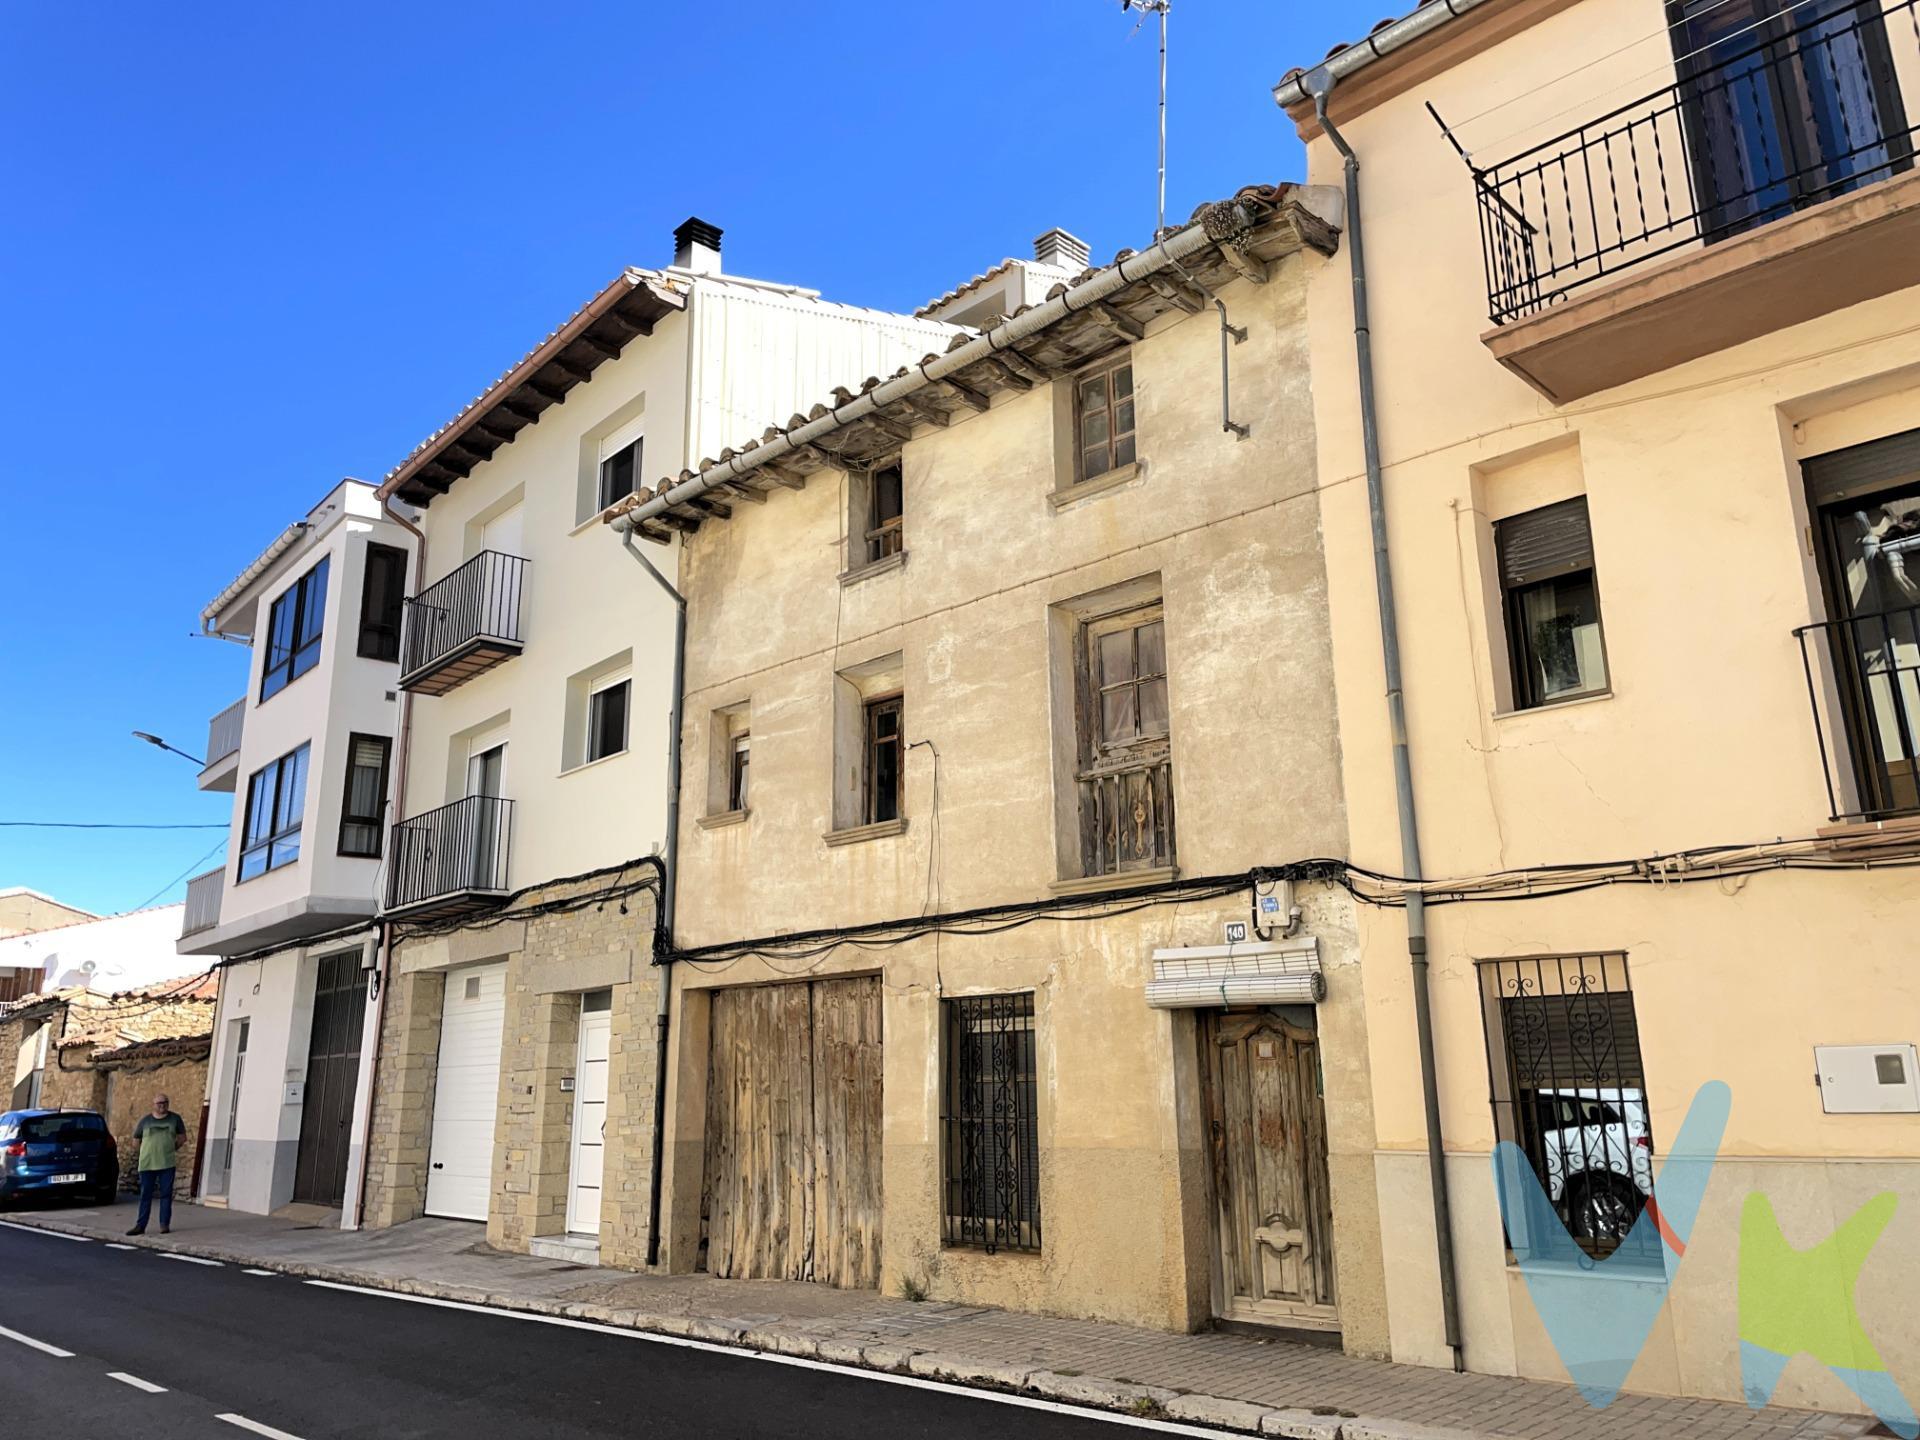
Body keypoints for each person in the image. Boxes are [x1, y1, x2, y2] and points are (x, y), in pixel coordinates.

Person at [126, 1094, 187, 1236]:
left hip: (167, 1163)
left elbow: (182, 1138)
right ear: (153, 1104)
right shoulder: (146, 1121)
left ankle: (164, 1224)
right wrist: (145, 1153)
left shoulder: (175, 1119)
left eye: (165, 1103)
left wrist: (171, 1149)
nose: (162, 1105)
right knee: (145, 1195)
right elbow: (136, 1140)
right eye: (159, 1103)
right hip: (147, 1164)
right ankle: (140, 1225)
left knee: (166, 1194)